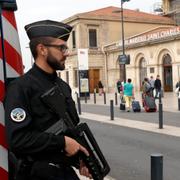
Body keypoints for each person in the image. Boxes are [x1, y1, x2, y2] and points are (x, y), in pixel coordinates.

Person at [4, 20, 91, 180]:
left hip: (64, 172)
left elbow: (70, 129)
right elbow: (18, 140)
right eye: (61, 48)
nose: (67, 52)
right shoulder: (21, 88)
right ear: (42, 49)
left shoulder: (63, 87)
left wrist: (80, 159)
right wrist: (61, 142)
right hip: (36, 173)